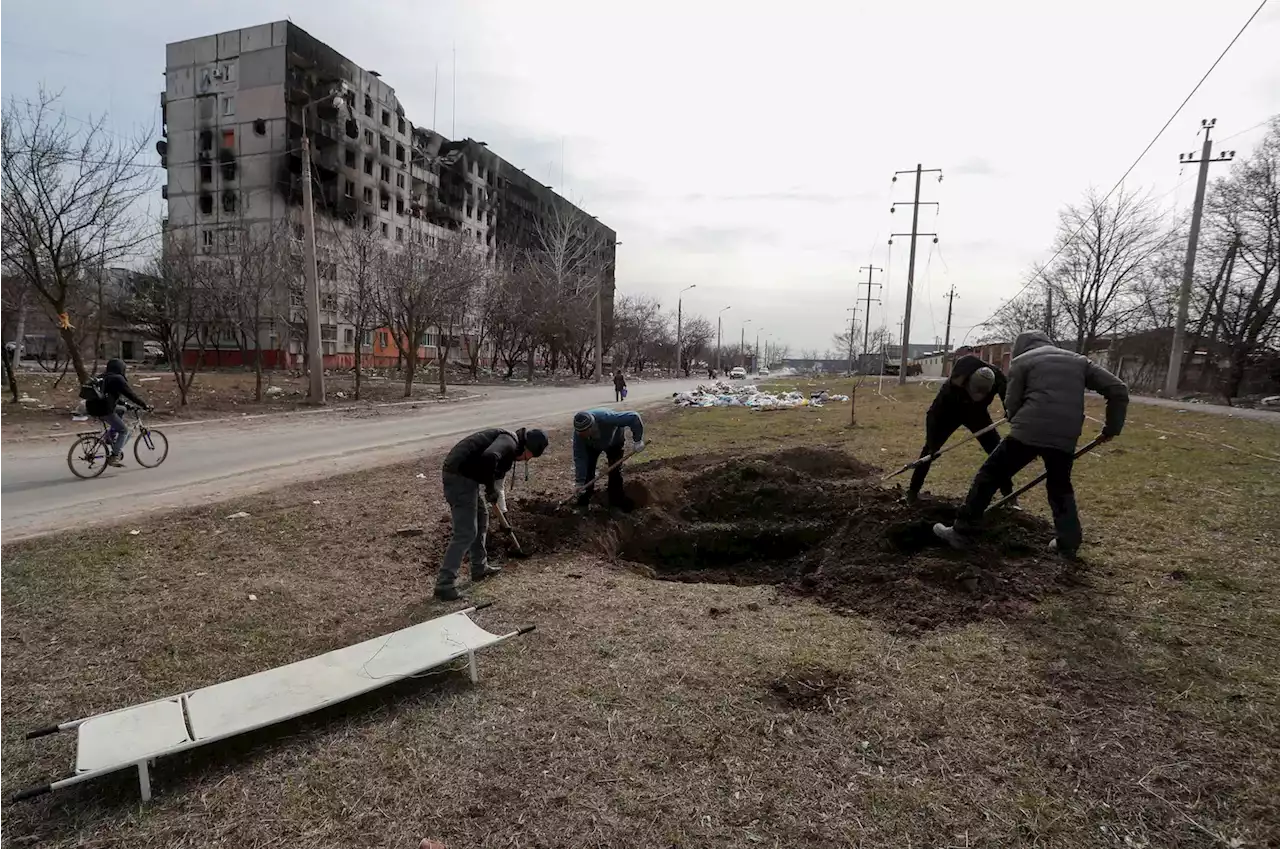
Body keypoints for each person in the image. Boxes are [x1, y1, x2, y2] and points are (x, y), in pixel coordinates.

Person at [933, 331, 1129, 557]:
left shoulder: (1022, 361)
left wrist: (1018, 422)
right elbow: (1118, 389)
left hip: (1029, 430)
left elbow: (1012, 403)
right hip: (1066, 434)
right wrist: (1112, 428)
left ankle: (961, 532)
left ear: (1020, 347)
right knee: (1060, 487)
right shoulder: (1079, 361)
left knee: (990, 474)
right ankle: (1068, 544)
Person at [436, 427, 549, 602]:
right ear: (528, 448)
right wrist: (489, 489)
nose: (526, 460)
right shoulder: (509, 442)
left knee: (482, 520)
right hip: (458, 476)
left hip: (468, 477)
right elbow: (489, 457)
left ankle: (479, 567)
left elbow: (497, 485)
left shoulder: (508, 449)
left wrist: (498, 503)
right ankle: (445, 584)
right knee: (466, 532)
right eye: (529, 457)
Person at [905, 354, 1015, 506]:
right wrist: (932, 442)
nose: (977, 396)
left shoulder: (997, 378)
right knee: (929, 452)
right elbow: (933, 414)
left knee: (997, 452)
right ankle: (912, 493)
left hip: (977, 415)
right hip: (949, 413)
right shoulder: (955, 381)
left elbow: (1009, 398)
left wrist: (1010, 410)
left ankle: (1009, 496)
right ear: (967, 382)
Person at [572, 409, 644, 512]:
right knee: (587, 472)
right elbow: (580, 457)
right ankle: (583, 503)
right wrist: (579, 482)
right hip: (592, 446)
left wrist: (638, 440)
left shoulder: (607, 418)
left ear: (591, 427)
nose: (581, 436)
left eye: (584, 433)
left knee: (615, 472)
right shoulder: (579, 435)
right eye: (579, 433)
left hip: (614, 441)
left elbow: (634, 417)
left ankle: (616, 504)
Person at [84, 358, 150, 467]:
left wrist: (125, 405)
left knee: (121, 409)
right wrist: (144, 405)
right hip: (104, 410)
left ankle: (111, 434)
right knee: (124, 431)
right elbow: (131, 394)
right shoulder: (118, 379)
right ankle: (114, 456)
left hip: (92, 408)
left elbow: (109, 396)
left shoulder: (102, 377)